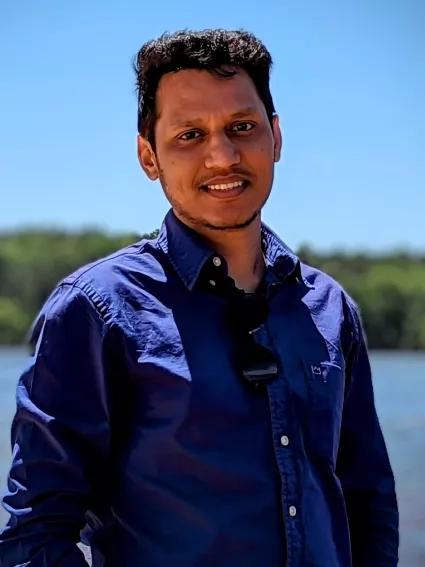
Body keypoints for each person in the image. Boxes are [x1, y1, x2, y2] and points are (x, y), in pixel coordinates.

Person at [0, 29, 399, 567]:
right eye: (190, 135)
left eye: (242, 127)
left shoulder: (329, 308)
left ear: (275, 137)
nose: (221, 156)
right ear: (149, 155)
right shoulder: (95, 311)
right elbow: (35, 535)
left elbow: (367, 502)